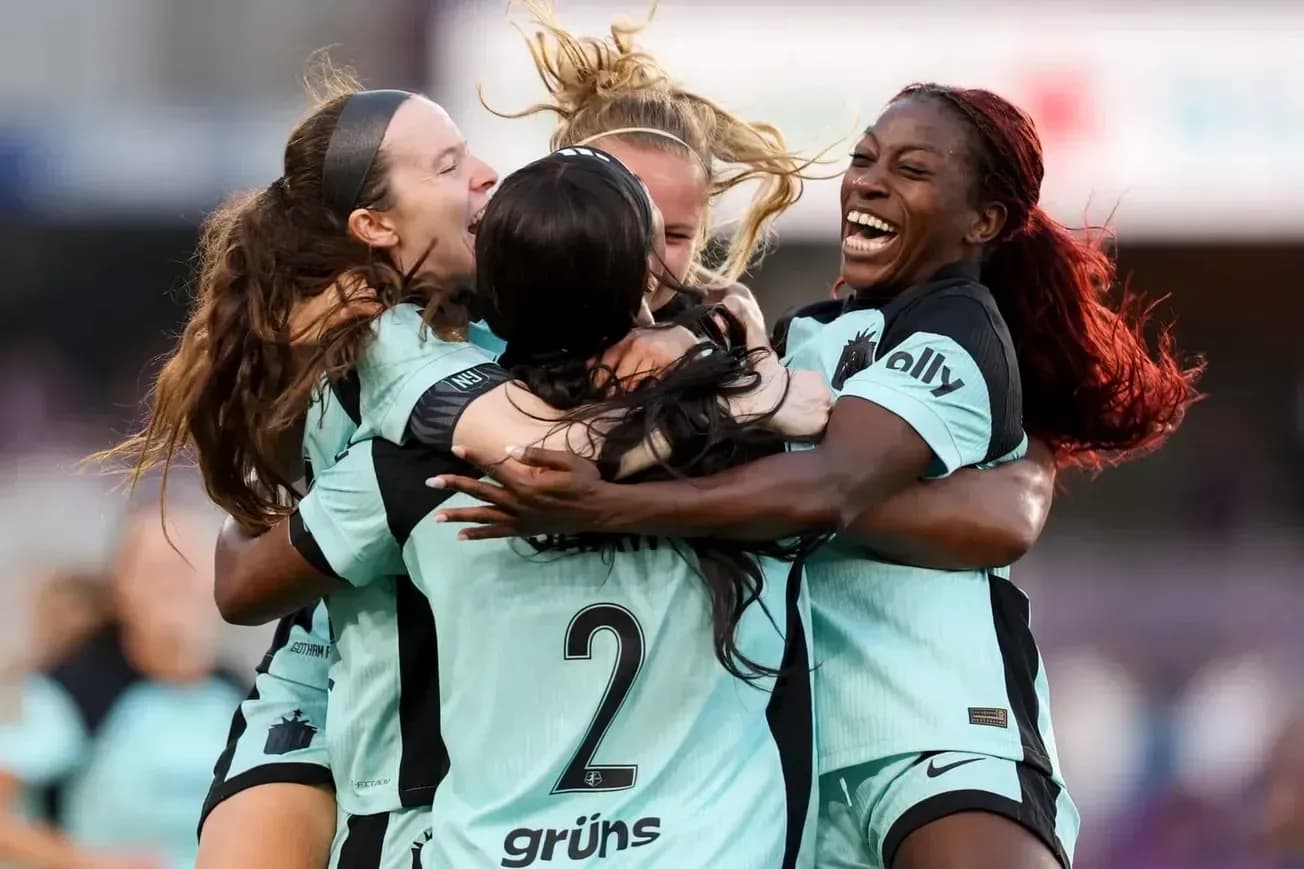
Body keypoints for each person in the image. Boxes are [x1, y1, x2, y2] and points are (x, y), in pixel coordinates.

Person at [431, 83, 1205, 869]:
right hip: (793, 767)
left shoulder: (957, 324)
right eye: (864, 158)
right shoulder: (793, 338)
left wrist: (613, 506)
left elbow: (829, 487)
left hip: (935, 729)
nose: (869, 180)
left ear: (984, 220)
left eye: (911, 168)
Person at [217, 145, 827, 867]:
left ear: (491, 296)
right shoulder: (761, 446)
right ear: (646, 277)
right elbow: (845, 477)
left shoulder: (410, 466)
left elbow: (244, 585)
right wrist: (752, 368)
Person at [0, 509, 245, 869]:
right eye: (156, 572)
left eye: (186, 569)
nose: (172, 587)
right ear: (121, 587)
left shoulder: (246, 697)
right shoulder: (70, 691)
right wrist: (88, 862)